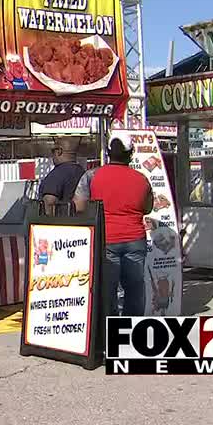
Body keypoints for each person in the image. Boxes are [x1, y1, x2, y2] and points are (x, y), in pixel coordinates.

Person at [73, 132, 152, 317]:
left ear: (108, 152)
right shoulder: (142, 179)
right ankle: (132, 332)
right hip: (135, 239)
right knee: (134, 289)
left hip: (105, 239)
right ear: (131, 153)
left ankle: (109, 333)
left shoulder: (92, 175)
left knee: (107, 290)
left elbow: (78, 206)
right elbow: (147, 208)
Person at [38, 137, 85, 215]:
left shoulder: (57, 174)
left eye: (53, 151)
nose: (52, 155)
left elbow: (49, 202)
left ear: (59, 151)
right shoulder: (83, 172)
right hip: (83, 223)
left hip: (60, 224)